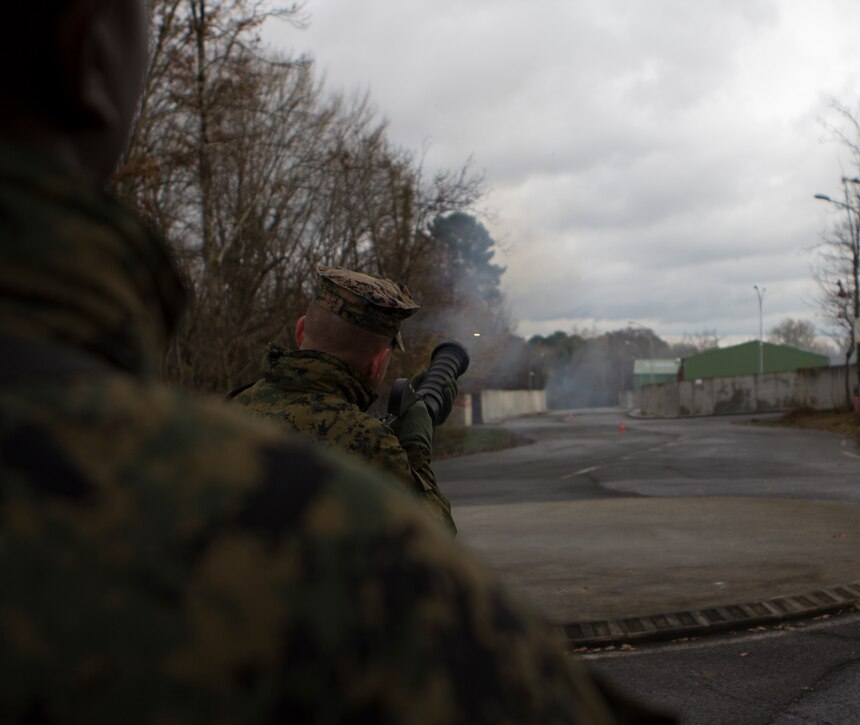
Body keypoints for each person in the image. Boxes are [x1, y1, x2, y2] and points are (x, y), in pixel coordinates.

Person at [0, 1, 671, 722]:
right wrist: (410, 442)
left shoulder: (232, 409)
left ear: (296, 330)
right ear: (86, 55)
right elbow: (431, 564)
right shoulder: (323, 497)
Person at [232, 267, 457, 533]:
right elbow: (434, 539)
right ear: (378, 363)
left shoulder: (233, 409)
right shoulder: (368, 442)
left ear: (301, 330)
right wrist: (414, 446)